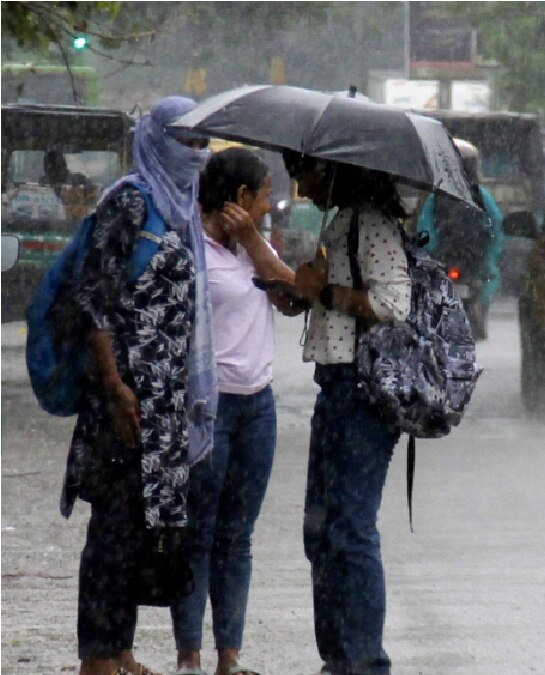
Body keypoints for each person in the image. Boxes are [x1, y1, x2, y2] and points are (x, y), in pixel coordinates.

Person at [59, 96, 214, 675]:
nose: (194, 152)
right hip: (123, 399)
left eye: (202, 142)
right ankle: (98, 658)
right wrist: (115, 385)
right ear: (154, 140)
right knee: (113, 529)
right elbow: (94, 300)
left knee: (145, 531)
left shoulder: (183, 209)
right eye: (184, 141)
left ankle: (119, 649)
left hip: (166, 404)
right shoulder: (129, 201)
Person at [169, 147, 300, 675]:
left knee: (238, 534)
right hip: (209, 407)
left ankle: (230, 655)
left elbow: (291, 297)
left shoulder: (255, 248)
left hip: (257, 408)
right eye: (265, 195)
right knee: (198, 531)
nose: (270, 205)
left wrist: (251, 239)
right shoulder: (188, 248)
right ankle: (189, 656)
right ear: (241, 196)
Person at [284, 151, 412, 675]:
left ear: (332, 169)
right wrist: (303, 295)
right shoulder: (341, 223)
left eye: (304, 175)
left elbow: (394, 304)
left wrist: (327, 291)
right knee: (322, 531)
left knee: (351, 529)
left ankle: (364, 662)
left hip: (361, 392)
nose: (301, 190)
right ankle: (338, 658)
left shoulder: (371, 224)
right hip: (335, 387)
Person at [414, 139, 504, 338]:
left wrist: (432, 251)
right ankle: (480, 305)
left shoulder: (436, 197)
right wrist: (490, 255)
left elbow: (425, 228)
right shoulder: (482, 195)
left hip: (444, 256)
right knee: (492, 276)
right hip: (475, 258)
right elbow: (496, 225)